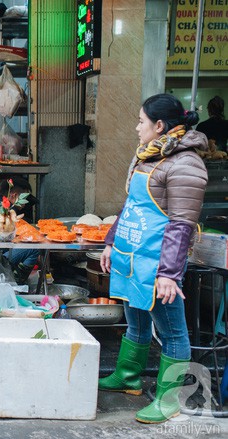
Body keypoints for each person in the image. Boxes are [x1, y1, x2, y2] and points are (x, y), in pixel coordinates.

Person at [99, 93, 208, 424]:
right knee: (136, 320)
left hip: (160, 263)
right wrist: (110, 242)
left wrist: (169, 274)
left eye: (141, 121)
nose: (136, 127)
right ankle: (129, 376)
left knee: (172, 331)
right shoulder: (149, 157)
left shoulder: (186, 164)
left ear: (159, 126)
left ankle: (169, 398)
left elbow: (182, 225)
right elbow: (131, 205)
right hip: (134, 255)